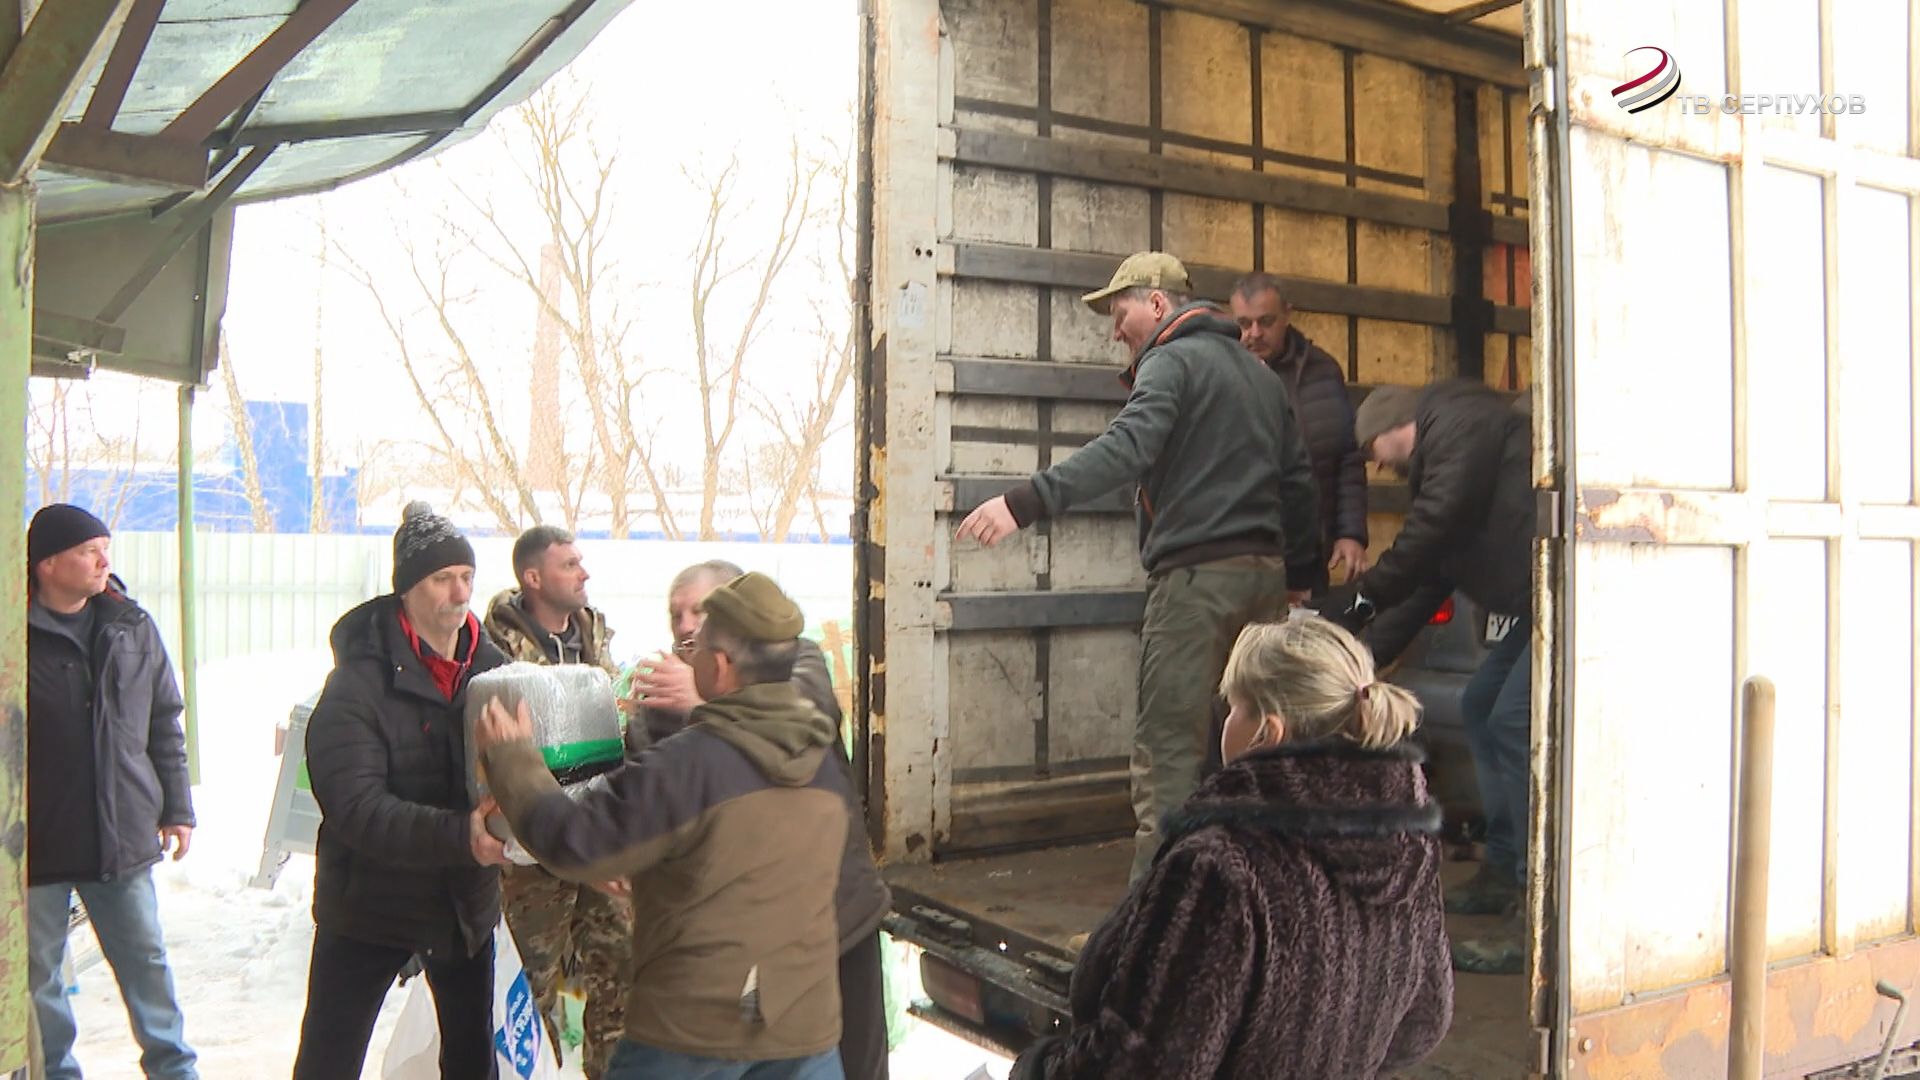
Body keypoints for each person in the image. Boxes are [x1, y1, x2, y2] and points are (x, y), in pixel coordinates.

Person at [956, 251, 1322, 882]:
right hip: (1263, 584)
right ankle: (1264, 897)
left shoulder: (1171, 360)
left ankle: (1153, 919)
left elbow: (1127, 446)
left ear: (1156, 303)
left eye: (1118, 312)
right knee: (1259, 750)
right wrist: (1297, 579)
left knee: (1169, 757)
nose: (1114, 331)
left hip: (1196, 588)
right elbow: (1297, 481)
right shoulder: (1262, 378)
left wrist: (1023, 503)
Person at [1011, 616, 1452, 1079]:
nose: (1224, 722)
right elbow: (1424, 1022)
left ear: (1267, 732)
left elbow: (1144, 1064)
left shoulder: (1220, 865)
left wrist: (1036, 1070)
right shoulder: (1407, 848)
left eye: (1233, 707)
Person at [474, 572, 853, 1080]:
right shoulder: (823, 761)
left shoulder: (691, 764)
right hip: (804, 1028)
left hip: (693, 1032)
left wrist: (512, 758)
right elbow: (749, 865)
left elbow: (574, 841)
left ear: (720, 665)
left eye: (698, 647)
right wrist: (652, 872)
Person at [623, 560, 892, 1080]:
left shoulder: (797, 660)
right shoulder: (661, 702)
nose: (684, 626)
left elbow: (806, 722)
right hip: (742, 950)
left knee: (857, 1065)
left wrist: (702, 697)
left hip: (836, 922)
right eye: (675, 614)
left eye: (698, 611)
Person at [292, 501, 511, 1079]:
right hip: (369, 905)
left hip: (462, 905)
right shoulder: (355, 686)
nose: (459, 593)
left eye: (466, 576)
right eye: (441, 579)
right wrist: (461, 835)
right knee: (329, 1061)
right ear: (407, 589)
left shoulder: (496, 673)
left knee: (472, 1060)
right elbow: (356, 809)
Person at [1335, 379, 1533, 975]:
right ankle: (1503, 869)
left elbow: (1431, 532)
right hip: (1534, 603)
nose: (1375, 464)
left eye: (1371, 448)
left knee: (1513, 720)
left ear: (1394, 427)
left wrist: (1363, 596)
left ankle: (1536, 907)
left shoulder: (1459, 426)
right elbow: (1430, 577)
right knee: (1480, 706)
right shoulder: (1448, 455)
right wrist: (1360, 652)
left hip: (1563, 591)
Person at [23, 504, 199, 1080]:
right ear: (48, 565)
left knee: (146, 963)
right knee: (40, 977)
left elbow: (164, 720)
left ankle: (174, 1070)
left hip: (121, 834)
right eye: (88, 551)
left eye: (106, 548)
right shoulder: (13, 634)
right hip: (38, 841)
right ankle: (55, 1072)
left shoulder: (131, 626)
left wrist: (177, 807)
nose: (104, 561)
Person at [483, 525, 631, 1079]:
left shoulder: (595, 637)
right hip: (531, 847)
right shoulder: (493, 653)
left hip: (598, 834)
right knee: (530, 985)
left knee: (621, 970)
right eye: (569, 564)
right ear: (533, 577)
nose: (583, 572)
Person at [1230, 272, 1370, 592]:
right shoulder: (1220, 373)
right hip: (1237, 555)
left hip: (1307, 555)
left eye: (1266, 321)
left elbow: (1347, 458)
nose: (1254, 333)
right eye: (1244, 323)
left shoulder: (1323, 372)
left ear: (1287, 315)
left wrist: (1350, 533)